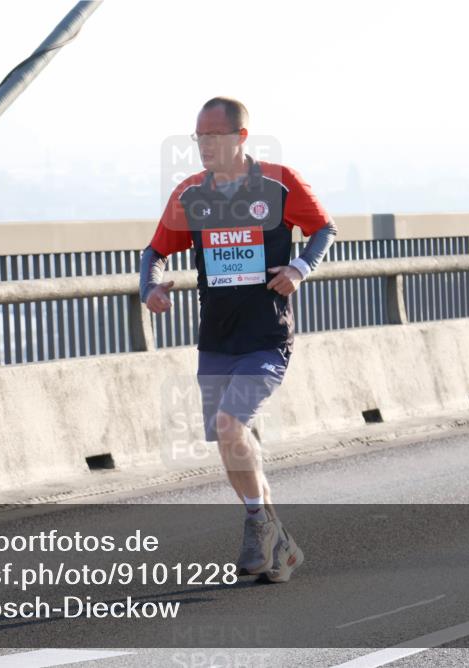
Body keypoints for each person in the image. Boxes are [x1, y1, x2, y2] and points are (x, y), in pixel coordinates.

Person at [139, 97, 336, 582]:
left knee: (230, 425)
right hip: (216, 339)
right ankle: (281, 544)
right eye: (199, 137)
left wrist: (299, 268)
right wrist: (150, 287)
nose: (205, 146)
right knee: (233, 441)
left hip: (266, 336)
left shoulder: (279, 183)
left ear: (241, 137)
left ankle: (255, 523)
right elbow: (155, 251)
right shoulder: (190, 194)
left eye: (214, 136)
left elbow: (324, 230)